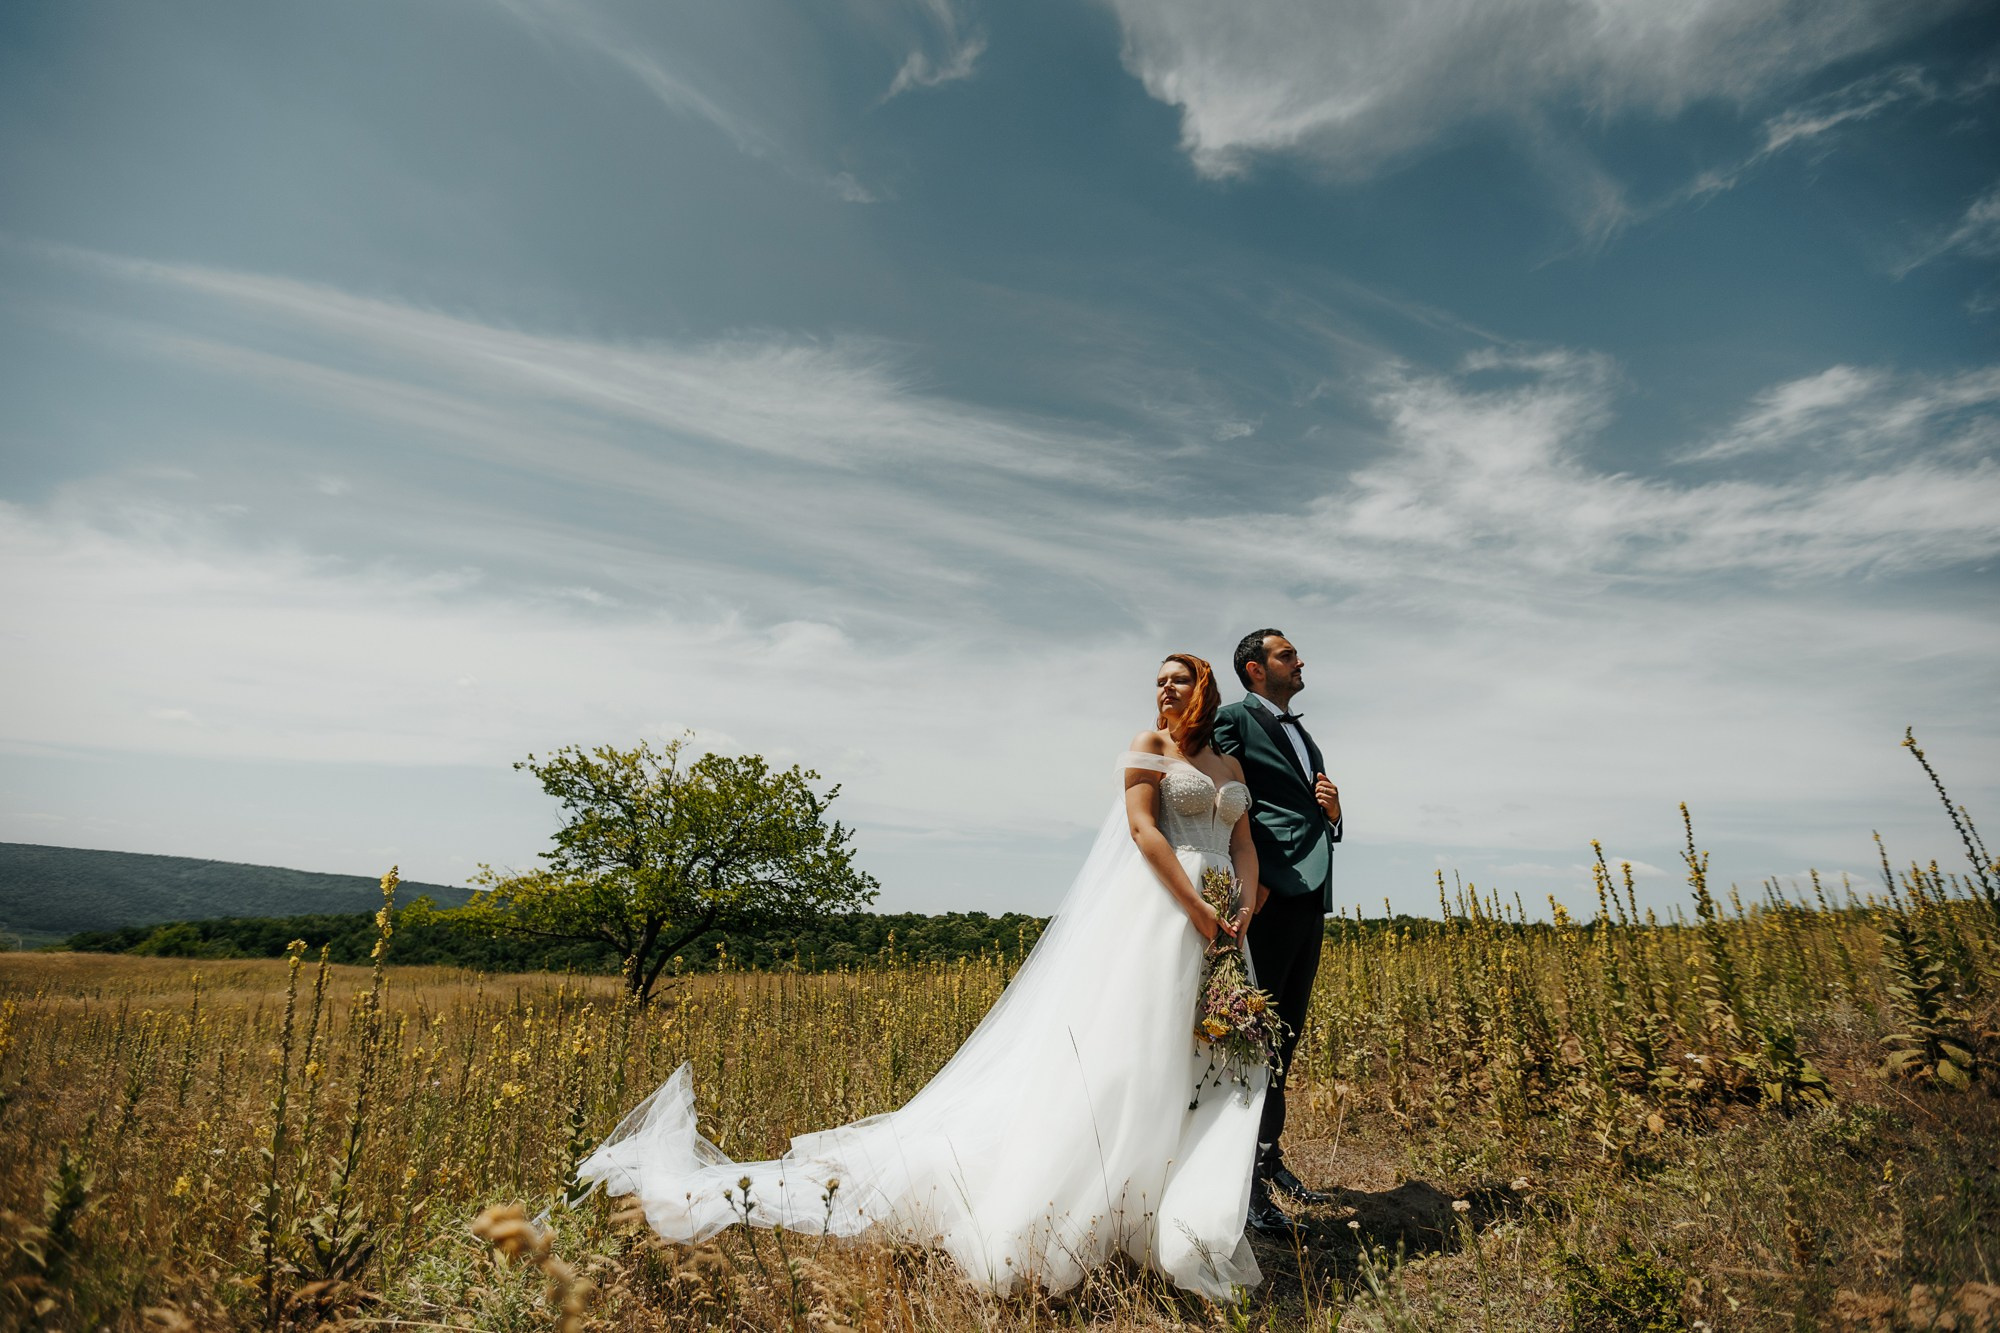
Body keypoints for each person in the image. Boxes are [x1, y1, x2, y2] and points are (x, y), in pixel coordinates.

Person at [576, 654, 1271, 1299]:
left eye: (1178, 679)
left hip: (1226, 930)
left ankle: (1186, 1224)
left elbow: (1243, 842)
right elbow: (1145, 832)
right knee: (1136, 1060)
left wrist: (1240, 908)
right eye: (1160, 680)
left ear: (1206, 685)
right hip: (1160, 915)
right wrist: (1198, 909)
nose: (1165, 689)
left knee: (1217, 1065)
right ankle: (1100, 1209)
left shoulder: (1230, 761)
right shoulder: (1149, 748)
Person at [1211, 629, 1343, 1235]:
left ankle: (1269, 1159)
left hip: (1310, 892)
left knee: (1286, 1030)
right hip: (1266, 894)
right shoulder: (1235, 719)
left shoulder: (1303, 731)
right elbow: (1221, 793)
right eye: (1288, 654)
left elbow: (1305, 809)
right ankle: (1242, 1186)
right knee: (1254, 1034)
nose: (1300, 661)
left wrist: (1334, 812)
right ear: (1255, 669)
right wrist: (1249, 874)